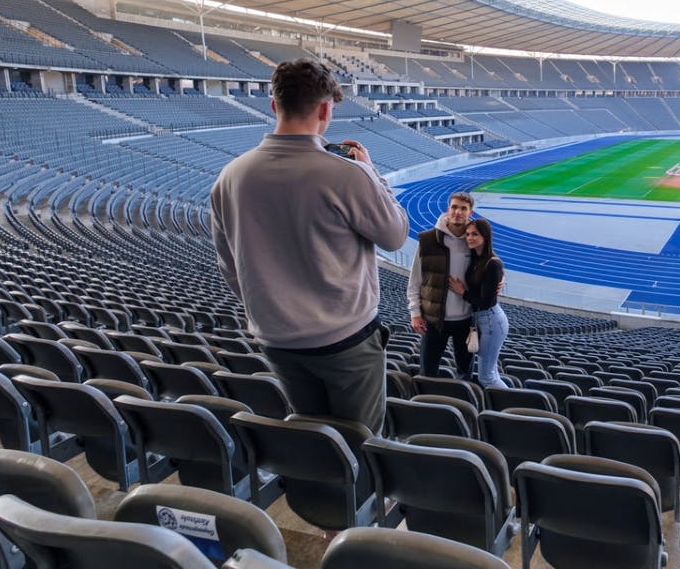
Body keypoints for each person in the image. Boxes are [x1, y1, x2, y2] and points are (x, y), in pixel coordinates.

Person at [210, 59, 408, 434]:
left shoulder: (231, 176)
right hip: (345, 340)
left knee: (311, 434)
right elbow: (395, 234)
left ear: (274, 106)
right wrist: (371, 174)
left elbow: (230, 267)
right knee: (361, 442)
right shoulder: (347, 175)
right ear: (324, 109)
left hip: (276, 339)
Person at [407, 191, 475, 378]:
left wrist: (499, 279)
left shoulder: (475, 240)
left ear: (470, 212)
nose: (458, 212)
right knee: (427, 372)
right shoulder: (428, 240)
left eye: (463, 208)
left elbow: (490, 265)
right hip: (434, 319)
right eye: (454, 207)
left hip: (466, 320)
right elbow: (415, 280)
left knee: (465, 373)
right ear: (448, 209)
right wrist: (415, 313)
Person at [450, 217, 508, 389]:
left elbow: (486, 302)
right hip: (482, 321)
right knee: (490, 373)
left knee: (487, 378)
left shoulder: (492, 264)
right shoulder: (476, 257)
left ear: (486, 236)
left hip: (491, 321)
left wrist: (463, 292)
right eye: (467, 234)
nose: (469, 238)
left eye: (475, 234)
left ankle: (513, 404)